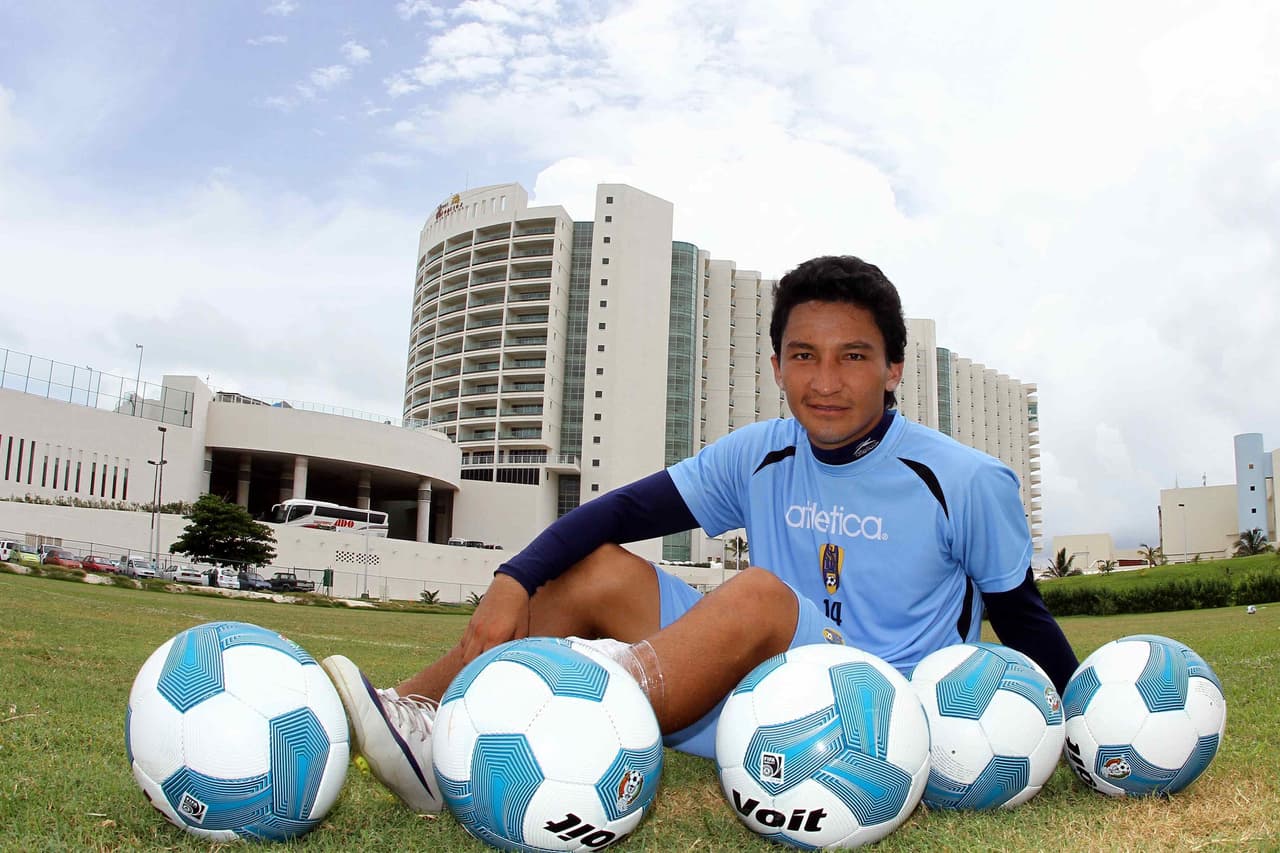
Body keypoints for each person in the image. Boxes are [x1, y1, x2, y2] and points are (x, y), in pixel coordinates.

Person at [321, 254, 1078, 814]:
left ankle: (584, 718)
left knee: (757, 593)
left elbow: (1021, 614)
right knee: (597, 569)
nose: (826, 381)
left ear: (893, 370)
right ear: (777, 365)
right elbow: (616, 513)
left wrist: (1076, 726)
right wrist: (514, 576)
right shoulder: (761, 452)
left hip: (871, 717)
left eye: (854, 357)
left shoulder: (967, 479)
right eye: (804, 356)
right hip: (735, 690)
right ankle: (420, 717)